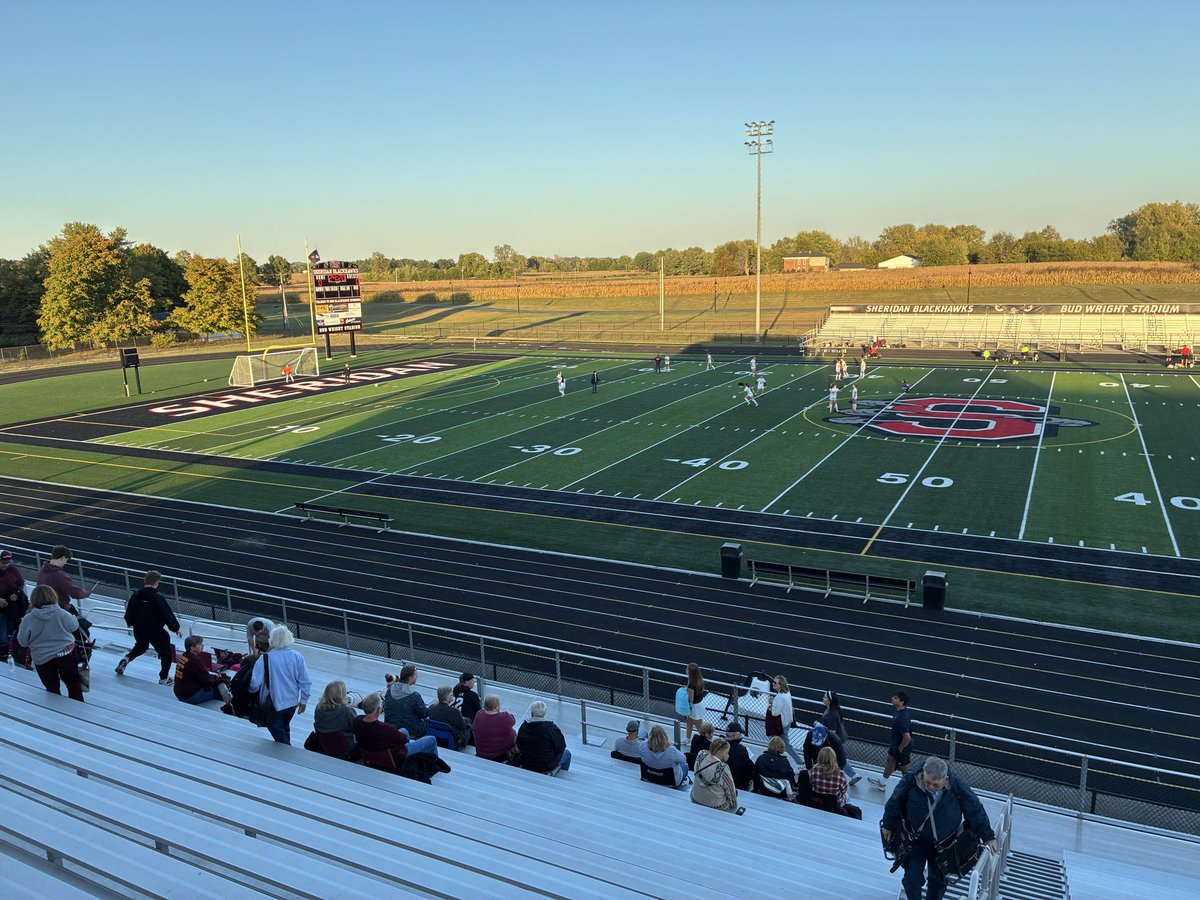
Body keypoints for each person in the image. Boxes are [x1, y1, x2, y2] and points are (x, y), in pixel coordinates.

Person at [882, 756, 998, 900]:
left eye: (936, 785)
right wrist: (888, 824)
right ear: (923, 773)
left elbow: (974, 809)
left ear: (945, 778)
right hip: (915, 840)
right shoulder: (911, 780)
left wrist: (988, 836)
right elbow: (895, 801)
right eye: (927, 782)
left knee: (937, 884)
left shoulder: (957, 786)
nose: (930, 787)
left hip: (944, 844)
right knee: (912, 880)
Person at [17, 585, 85, 701]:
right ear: (53, 597)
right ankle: (78, 709)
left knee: (52, 688)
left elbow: (22, 642)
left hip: (42, 658)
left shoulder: (28, 619)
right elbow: (74, 627)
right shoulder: (62, 613)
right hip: (66, 653)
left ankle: (56, 713)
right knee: (73, 683)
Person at [248, 625, 311, 745]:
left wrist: (250, 693)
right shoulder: (297, 656)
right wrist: (303, 700)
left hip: (273, 704)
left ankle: (286, 753)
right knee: (285, 727)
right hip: (292, 702)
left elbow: (255, 684)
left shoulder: (265, 658)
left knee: (280, 734)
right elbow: (305, 681)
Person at [116, 570, 182, 684]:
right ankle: (163, 678)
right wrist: (176, 628)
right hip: (156, 631)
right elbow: (167, 614)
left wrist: (133, 623)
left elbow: (128, 615)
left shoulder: (135, 596)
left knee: (141, 647)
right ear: (156, 583)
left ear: (145, 581)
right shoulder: (158, 598)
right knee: (166, 654)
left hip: (139, 629)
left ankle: (126, 659)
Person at [354, 692, 446, 772]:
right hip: (393, 759)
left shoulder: (358, 721)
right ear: (378, 709)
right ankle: (435, 766)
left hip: (372, 756)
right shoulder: (384, 729)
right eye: (382, 704)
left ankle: (411, 761)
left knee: (404, 731)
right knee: (431, 740)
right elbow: (401, 739)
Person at [871, 690, 914, 791]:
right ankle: (882, 782)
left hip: (902, 746)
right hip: (895, 743)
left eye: (895, 698)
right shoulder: (901, 711)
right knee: (890, 760)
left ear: (901, 701)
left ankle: (911, 788)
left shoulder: (901, 718)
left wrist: (900, 748)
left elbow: (907, 737)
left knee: (905, 769)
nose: (892, 699)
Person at [173, 635, 233, 706]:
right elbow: (206, 680)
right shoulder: (194, 661)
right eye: (200, 644)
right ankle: (228, 706)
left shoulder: (184, 656)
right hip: (190, 697)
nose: (203, 645)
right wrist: (220, 678)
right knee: (219, 687)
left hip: (179, 693)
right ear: (192, 647)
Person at [517, 699, 571, 775]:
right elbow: (561, 746)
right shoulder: (551, 728)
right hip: (546, 765)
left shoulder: (524, 726)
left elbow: (519, 744)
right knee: (567, 754)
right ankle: (561, 775)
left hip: (526, 762)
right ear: (544, 713)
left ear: (532, 713)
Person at [313, 680, 361, 760]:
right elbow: (357, 728)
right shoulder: (346, 711)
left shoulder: (319, 708)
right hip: (346, 749)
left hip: (324, 745)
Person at [821, 689, 860, 785]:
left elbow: (832, 732)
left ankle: (831, 776)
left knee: (834, 758)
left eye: (825, 697)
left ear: (830, 700)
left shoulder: (830, 714)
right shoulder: (834, 709)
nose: (823, 698)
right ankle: (854, 775)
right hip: (839, 738)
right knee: (838, 758)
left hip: (834, 740)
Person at [691, 737, 739, 813]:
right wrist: (734, 806)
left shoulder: (701, 754)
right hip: (716, 806)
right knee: (735, 792)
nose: (728, 756)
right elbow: (730, 790)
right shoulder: (722, 768)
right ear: (719, 752)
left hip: (695, 799)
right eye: (726, 753)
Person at [36, 545, 91, 610]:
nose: (65, 563)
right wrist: (87, 593)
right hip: (59, 609)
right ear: (63, 558)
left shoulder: (43, 570)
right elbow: (76, 593)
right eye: (66, 560)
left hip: (43, 607)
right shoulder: (60, 575)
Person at [383, 663, 429, 738]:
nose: (417, 676)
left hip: (390, 728)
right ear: (410, 678)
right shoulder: (414, 696)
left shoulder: (390, 689)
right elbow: (424, 714)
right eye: (416, 675)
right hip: (410, 733)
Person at [765, 674, 802, 767]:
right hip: (787, 722)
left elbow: (774, 713)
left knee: (774, 742)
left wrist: (770, 704)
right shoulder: (787, 693)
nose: (773, 684)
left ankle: (799, 762)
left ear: (780, 685)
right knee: (784, 743)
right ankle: (799, 761)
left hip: (781, 724)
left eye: (775, 682)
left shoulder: (779, 697)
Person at [0, 548, 28, 665]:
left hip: (11, 608)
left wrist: (16, 594)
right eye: (3, 562)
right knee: (2, 634)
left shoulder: (13, 569)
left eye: (8, 562)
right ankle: (2, 656)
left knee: (10, 632)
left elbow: (21, 584)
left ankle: (8, 655)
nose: (6, 565)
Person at [639, 723, 689, 787]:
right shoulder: (672, 750)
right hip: (669, 783)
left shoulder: (643, 745)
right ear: (664, 736)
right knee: (685, 766)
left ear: (650, 735)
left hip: (648, 778)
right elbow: (683, 760)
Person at [472, 694, 518, 763]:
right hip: (499, 756)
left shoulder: (479, 714)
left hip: (481, 754)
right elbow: (513, 720)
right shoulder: (504, 717)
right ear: (496, 707)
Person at [808, 745, 851, 812]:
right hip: (835, 804)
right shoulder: (840, 774)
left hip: (817, 801)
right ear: (833, 758)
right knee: (847, 797)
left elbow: (810, 784)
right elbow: (844, 790)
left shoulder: (813, 771)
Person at [428, 685, 473, 749]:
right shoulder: (454, 711)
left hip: (437, 739)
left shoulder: (432, 708)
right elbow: (463, 727)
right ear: (446, 698)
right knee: (469, 726)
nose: (453, 696)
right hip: (452, 742)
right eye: (451, 695)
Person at [723, 721, 755, 791]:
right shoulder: (742, 750)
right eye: (740, 733)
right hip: (736, 784)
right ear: (735, 735)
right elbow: (748, 769)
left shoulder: (718, 745)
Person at [683, 663, 707, 740]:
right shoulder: (698, 679)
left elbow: (691, 699)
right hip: (699, 703)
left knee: (699, 726)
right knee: (688, 721)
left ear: (691, 672)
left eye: (687, 669)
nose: (685, 671)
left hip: (695, 706)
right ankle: (687, 738)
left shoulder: (691, 684)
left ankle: (705, 740)